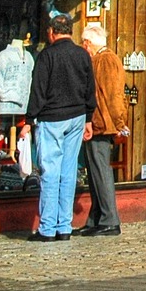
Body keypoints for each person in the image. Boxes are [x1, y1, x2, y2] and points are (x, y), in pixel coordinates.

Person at [26, 13, 94, 243]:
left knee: (50, 173)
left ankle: (47, 229)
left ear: (51, 32)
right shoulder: (82, 55)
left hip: (52, 117)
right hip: (77, 116)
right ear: (71, 32)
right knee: (68, 172)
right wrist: (89, 118)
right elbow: (89, 88)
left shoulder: (47, 55)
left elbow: (38, 90)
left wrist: (29, 119)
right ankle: (64, 226)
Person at [77, 21, 128, 236]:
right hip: (99, 123)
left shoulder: (105, 60)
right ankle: (97, 218)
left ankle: (109, 219)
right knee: (95, 172)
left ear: (88, 43)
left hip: (103, 124)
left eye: (83, 44)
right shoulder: (102, 59)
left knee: (101, 171)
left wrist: (119, 123)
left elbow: (114, 94)